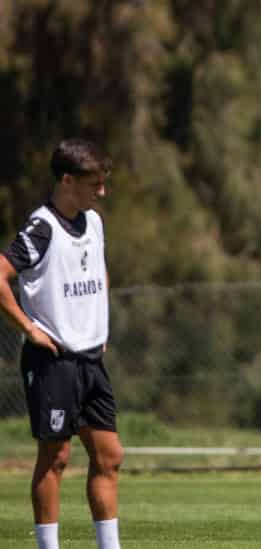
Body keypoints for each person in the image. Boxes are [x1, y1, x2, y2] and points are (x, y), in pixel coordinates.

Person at [0, 139, 123, 549]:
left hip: (90, 362)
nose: (101, 192)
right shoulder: (42, 228)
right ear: (67, 180)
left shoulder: (94, 222)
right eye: (94, 184)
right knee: (55, 458)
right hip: (53, 362)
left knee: (109, 456)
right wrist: (29, 329)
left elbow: (99, 272)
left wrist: (98, 324)